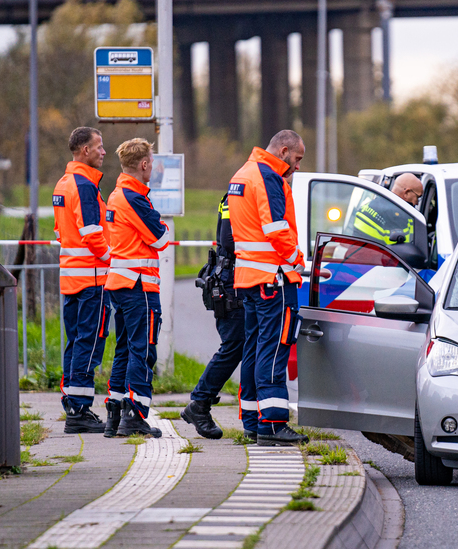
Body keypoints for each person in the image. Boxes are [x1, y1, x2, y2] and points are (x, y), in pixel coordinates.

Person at [229, 130, 309, 446]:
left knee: (254, 348)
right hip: (273, 279)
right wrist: (298, 260)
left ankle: (252, 420)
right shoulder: (269, 176)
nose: (298, 167)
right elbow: (276, 229)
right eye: (298, 159)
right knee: (275, 347)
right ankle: (273, 424)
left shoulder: (244, 173)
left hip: (249, 279)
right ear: (284, 150)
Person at [105, 138, 169, 439]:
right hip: (139, 285)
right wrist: (164, 227)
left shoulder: (118, 194)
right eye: (152, 161)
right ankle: (135, 416)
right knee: (142, 352)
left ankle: (115, 416)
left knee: (125, 351)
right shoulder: (133, 196)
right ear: (144, 164)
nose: (153, 166)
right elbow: (159, 237)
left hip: (122, 283)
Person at [52, 127, 112, 434]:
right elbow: (92, 234)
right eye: (98, 147)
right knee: (89, 343)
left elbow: (62, 233)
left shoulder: (63, 183)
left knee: (75, 342)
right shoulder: (85, 185)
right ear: (84, 151)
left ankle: (72, 403)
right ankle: (79, 410)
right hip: (91, 278)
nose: (103, 152)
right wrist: (114, 258)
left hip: (71, 278)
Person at [180, 194, 236, 440]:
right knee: (235, 344)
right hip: (231, 281)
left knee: (241, 344)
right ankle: (199, 404)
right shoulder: (238, 193)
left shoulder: (236, 192)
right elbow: (229, 240)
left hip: (234, 278)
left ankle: (201, 403)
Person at [351, 172, 422, 245]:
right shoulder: (398, 216)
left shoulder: (370, 205)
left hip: (357, 253)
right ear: (406, 193)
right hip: (376, 255)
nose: (417, 203)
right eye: (417, 197)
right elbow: (403, 250)